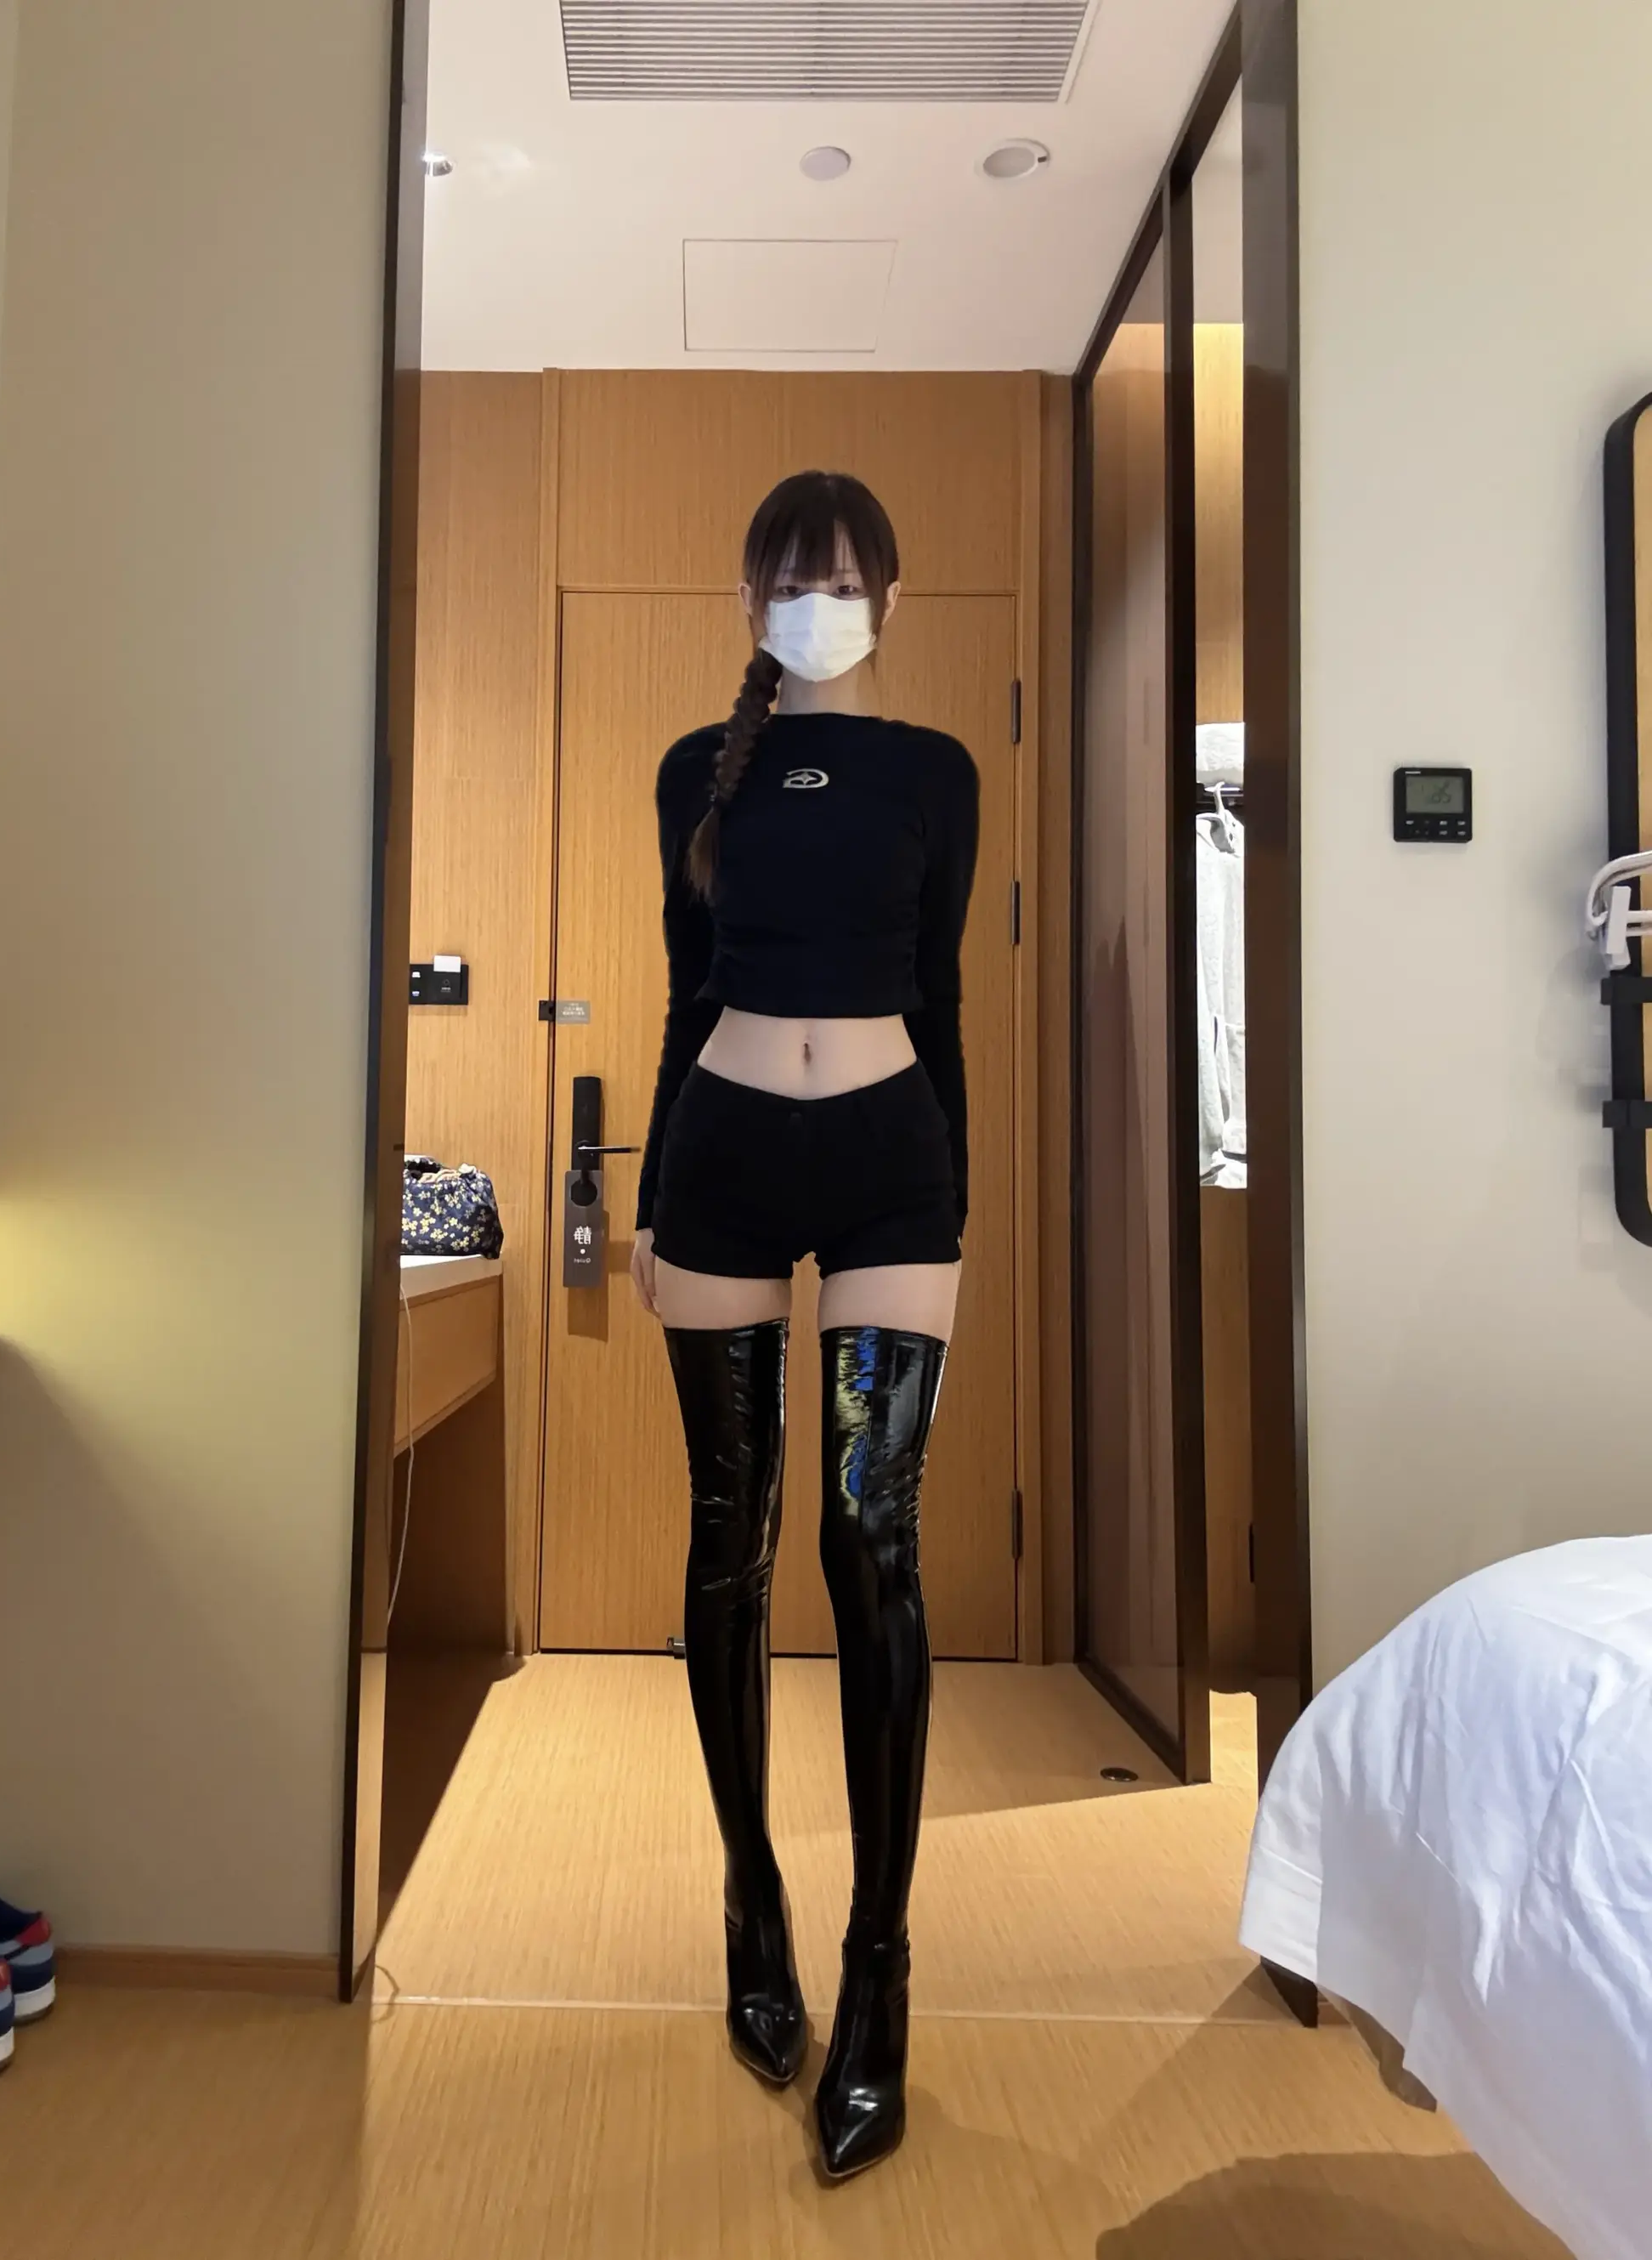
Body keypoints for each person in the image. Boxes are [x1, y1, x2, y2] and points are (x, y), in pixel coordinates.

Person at [630, 470, 978, 2179]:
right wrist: (645, 1201)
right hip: (723, 1161)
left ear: (890, 597)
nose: (817, 603)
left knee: (871, 1539)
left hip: (891, 1172)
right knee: (731, 1534)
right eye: (790, 577)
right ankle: (751, 1894)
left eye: (842, 578)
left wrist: (952, 1193)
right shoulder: (698, 768)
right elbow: (681, 984)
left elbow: (944, 989)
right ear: (750, 597)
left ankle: (878, 1968)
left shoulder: (935, 770)